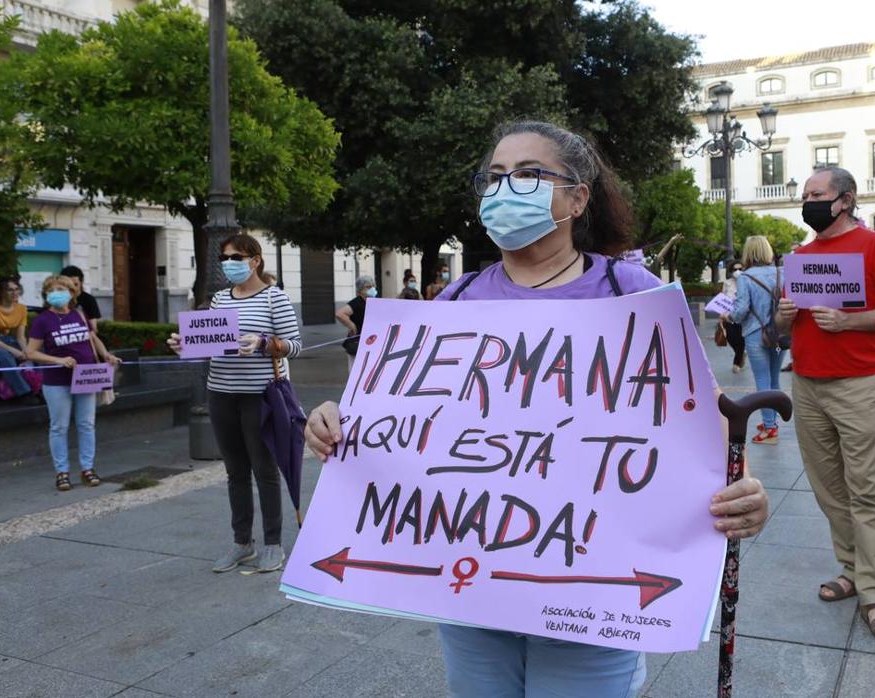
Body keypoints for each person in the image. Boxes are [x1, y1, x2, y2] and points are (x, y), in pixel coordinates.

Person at [303, 120, 771, 697]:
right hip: (471, 589)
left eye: (528, 174)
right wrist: (337, 421)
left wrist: (742, 486)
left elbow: (700, 417)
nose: (505, 188)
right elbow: (398, 412)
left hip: (592, 597)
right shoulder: (455, 298)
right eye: (494, 176)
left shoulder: (629, 288)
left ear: (577, 198)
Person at [775, 166, 875, 642]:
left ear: (845, 200)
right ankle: (851, 570)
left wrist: (850, 322)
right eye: (805, 193)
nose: (808, 201)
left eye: (817, 194)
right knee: (828, 488)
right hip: (808, 385)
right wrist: (782, 315)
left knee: (867, 489)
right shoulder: (802, 255)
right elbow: (781, 329)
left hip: (857, 383)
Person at [167, 234, 302, 574]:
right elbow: (208, 344)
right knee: (235, 471)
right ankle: (242, 543)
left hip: (261, 397)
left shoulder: (275, 298)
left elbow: (295, 345)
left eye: (236, 257)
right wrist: (184, 345)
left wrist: (263, 342)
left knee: (264, 470)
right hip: (221, 394)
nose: (229, 263)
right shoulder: (219, 300)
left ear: (255, 260)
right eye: (225, 257)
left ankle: (273, 544)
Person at [25, 275, 121, 491]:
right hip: (56, 381)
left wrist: (106, 355)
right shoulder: (42, 320)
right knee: (59, 427)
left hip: (86, 377)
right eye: (51, 290)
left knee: (87, 424)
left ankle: (88, 469)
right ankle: (62, 472)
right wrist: (58, 360)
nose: (55, 293)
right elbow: (30, 352)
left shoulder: (78, 315)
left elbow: (92, 337)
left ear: (71, 293)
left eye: (61, 288)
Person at [726, 236, 784, 444]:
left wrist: (728, 315)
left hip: (756, 334)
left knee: (762, 382)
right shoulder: (781, 272)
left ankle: (770, 429)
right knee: (774, 379)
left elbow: (740, 311)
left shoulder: (745, 278)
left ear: (748, 253)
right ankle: (771, 421)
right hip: (779, 335)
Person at [0, 277, 37, 403]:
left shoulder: (21, 308)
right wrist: (14, 351)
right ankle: (24, 393)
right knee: (5, 357)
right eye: (10, 290)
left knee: (36, 353)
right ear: (1, 292)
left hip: (10, 340)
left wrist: (26, 351)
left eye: (17, 289)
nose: (15, 293)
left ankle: (38, 389)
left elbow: (20, 337)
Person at [337, 276, 376, 357]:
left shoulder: (372, 301)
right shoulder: (357, 302)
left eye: (373, 286)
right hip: (356, 342)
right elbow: (340, 314)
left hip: (369, 341)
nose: (372, 289)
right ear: (361, 289)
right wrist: (352, 326)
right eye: (368, 287)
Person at [59, 265, 101, 335]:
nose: (72, 288)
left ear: (82, 282)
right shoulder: (58, 299)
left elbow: (93, 328)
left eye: (75, 284)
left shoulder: (89, 300)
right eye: (68, 285)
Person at [721, 262, 746, 374]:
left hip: (743, 317)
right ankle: (741, 354)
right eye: (735, 269)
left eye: (740, 269)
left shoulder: (747, 282)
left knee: (741, 340)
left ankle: (736, 363)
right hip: (729, 317)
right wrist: (721, 314)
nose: (738, 271)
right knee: (731, 339)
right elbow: (722, 298)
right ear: (731, 271)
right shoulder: (727, 283)